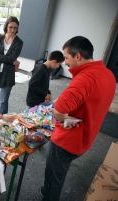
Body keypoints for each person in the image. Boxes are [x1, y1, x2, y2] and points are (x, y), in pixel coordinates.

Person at [41, 36, 116, 201]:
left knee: (54, 180)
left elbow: (59, 108)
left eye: (67, 58)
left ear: (78, 56)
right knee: (58, 173)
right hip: (86, 136)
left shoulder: (85, 78)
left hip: (67, 141)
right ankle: (47, 190)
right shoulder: (108, 74)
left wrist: (62, 119)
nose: (65, 62)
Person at [0, 16, 23, 116]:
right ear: (6, 26)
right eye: (10, 27)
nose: (13, 30)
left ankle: (2, 122)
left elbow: (9, 58)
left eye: (15, 28)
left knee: (4, 100)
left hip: (8, 74)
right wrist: (11, 61)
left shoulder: (19, 42)